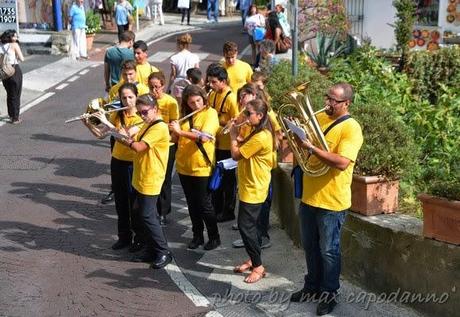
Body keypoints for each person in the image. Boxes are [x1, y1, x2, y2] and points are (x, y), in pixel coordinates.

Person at [290, 83, 363, 316]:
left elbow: (342, 162)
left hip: (332, 201)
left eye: (334, 100)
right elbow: (306, 149)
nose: (327, 103)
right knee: (310, 247)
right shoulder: (320, 120)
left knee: (329, 251)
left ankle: (329, 293)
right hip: (310, 197)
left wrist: (310, 148)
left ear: (346, 103)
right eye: (327, 98)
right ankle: (311, 287)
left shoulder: (351, 128)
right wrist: (296, 133)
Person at [82, 83, 144, 251]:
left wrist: (104, 120)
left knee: (134, 204)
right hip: (117, 162)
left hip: (133, 163)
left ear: (136, 97)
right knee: (120, 202)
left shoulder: (141, 116)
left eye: (130, 97)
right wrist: (88, 123)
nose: (127, 100)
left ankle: (139, 239)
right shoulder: (117, 114)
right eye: (124, 98)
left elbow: (124, 135)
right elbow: (101, 135)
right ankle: (124, 237)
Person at [118, 94, 173, 268]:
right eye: (140, 112)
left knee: (148, 216)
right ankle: (151, 249)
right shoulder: (147, 123)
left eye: (144, 112)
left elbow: (139, 147)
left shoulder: (159, 127)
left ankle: (164, 252)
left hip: (151, 177)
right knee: (140, 214)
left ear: (155, 109)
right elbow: (132, 133)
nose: (142, 116)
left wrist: (123, 139)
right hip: (140, 176)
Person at [169, 85, 221, 251]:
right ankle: (197, 235)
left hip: (201, 167)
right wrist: (172, 130)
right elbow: (174, 139)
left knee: (204, 204)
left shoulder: (210, 113)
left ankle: (214, 237)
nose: (196, 105)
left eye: (199, 100)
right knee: (191, 204)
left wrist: (181, 132)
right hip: (184, 166)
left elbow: (204, 137)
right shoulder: (184, 116)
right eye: (192, 103)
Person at [229, 98, 274, 283]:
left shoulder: (262, 136)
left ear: (260, 115)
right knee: (250, 227)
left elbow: (236, 154)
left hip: (254, 188)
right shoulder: (257, 131)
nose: (246, 116)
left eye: (249, 113)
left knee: (245, 227)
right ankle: (253, 258)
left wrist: (232, 136)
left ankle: (258, 267)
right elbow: (244, 142)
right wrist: (240, 129)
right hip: (249, 185)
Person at [206, 66, 238, 223]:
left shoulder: (232, 98)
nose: (210, 85)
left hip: (227, 147)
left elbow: (236, 122)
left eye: (213, 82)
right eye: (209, 81)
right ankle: (216, 208)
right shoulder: (212, 94)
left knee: (229, 182)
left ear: (223, 81)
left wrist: (221, 123)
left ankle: (228, 211)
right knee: (216, 178)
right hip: (215, 145)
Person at [147, 71, 179, 225]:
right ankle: (152, 209)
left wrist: (159, 125)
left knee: (165, 178)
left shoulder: (170, 102)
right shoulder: (146, 101)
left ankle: (164, 212)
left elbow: (174, 126)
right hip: (151, 142)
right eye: (151, 87)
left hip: (167, 144)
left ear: (163, 86)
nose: (154, 91)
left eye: (157, 87)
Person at [1, 30, 24, 124]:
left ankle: (11, 115)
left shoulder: (0, 45)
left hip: (4, 72)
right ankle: (15, 118)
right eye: (15, 36)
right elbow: (22, 58)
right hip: (14, 70)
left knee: (9, 94)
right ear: (10, 37)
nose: (16, 38)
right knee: (16, 95)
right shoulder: (14, 45)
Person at [167, 33, 199, 100]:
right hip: (190, 83)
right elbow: (196, 73)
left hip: (178, 83)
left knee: (179, 105)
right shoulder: (195, 57)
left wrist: (169, 87)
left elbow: (173, 74)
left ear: (179, 44)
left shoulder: (174, 58)